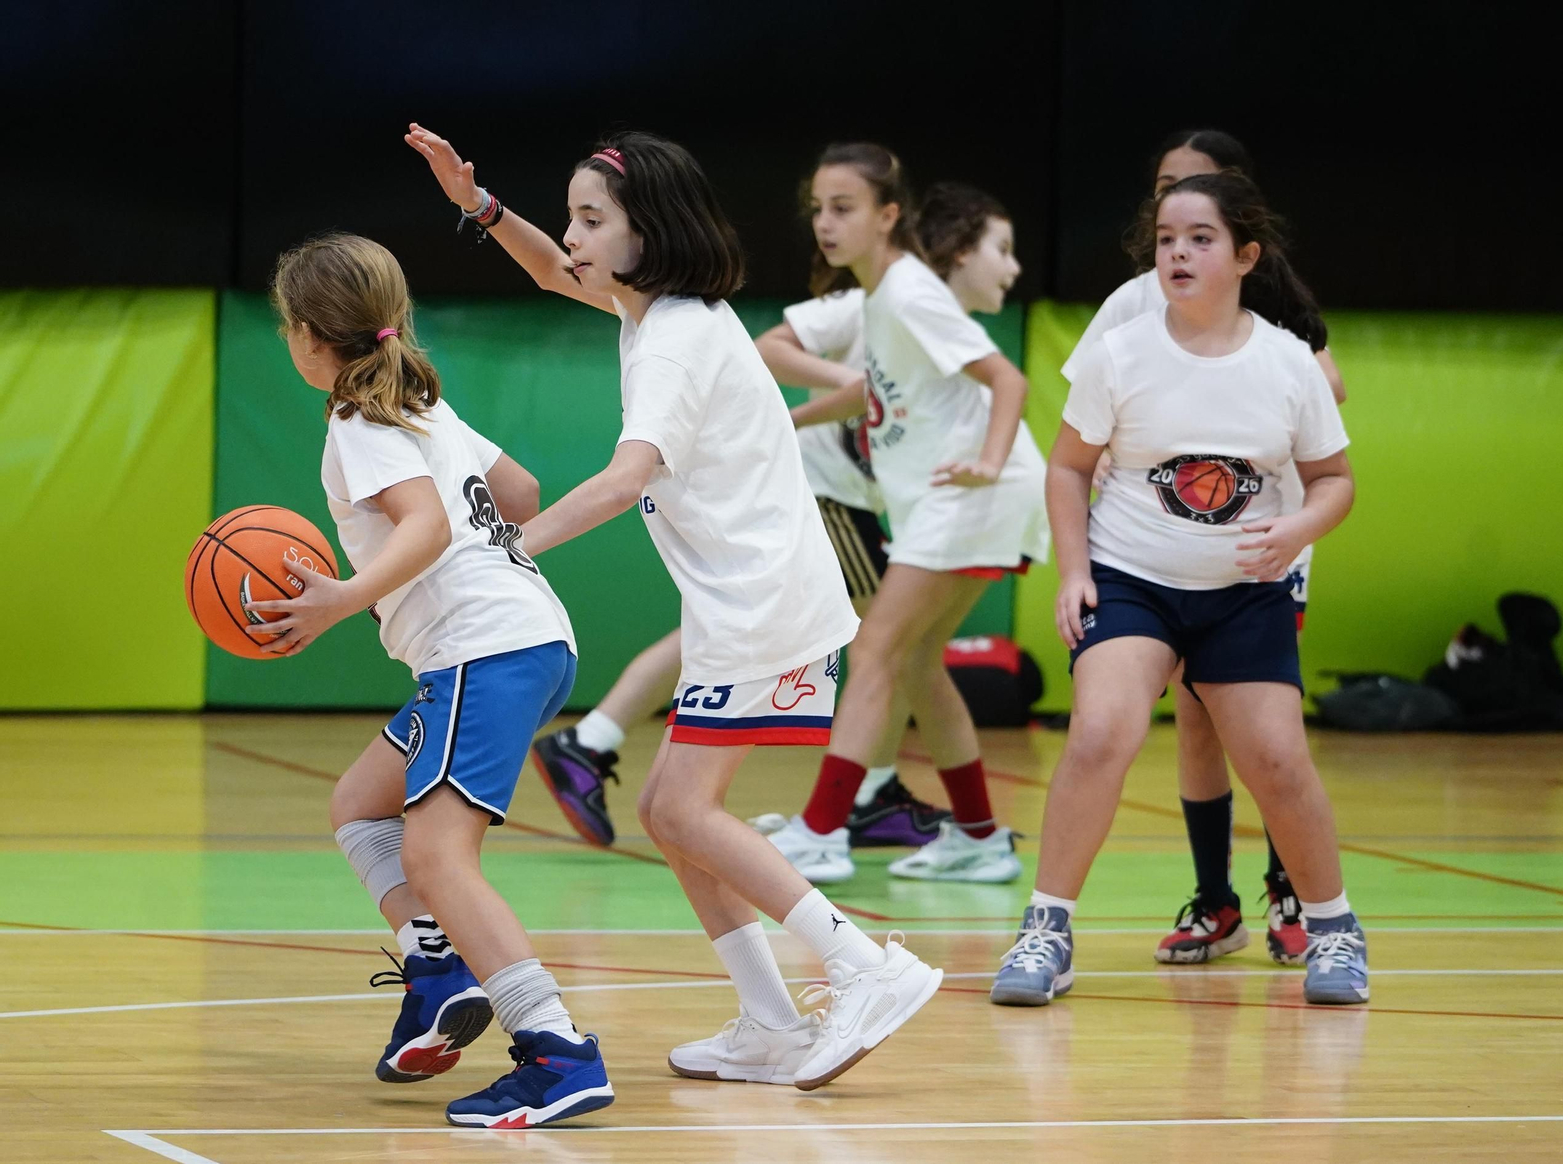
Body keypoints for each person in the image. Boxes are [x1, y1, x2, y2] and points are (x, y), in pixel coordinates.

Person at [405, 124, 943, 1091]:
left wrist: (506, 543)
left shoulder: (674, 346)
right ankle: (771, 1021)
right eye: (572, 216)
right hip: (745, 597)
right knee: (666, 807)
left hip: (763, 601)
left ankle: (866, 967)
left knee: (685, 809)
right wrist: (480, 207)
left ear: (647, 231)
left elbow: (622, 481)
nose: (571, 237)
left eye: (591, 219)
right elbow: (549, 275)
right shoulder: (658, 312)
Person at [254, 232, 612, 1128]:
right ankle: (437, 969)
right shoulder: (420, 405)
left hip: (481, 649)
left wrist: (343, 598)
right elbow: (521, 494)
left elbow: (426, 529)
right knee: (360, 803)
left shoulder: (359, 420)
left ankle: (555, 1048)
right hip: (532, 640)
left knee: (435, 854)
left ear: (306, 336)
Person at [988, 170, 1369, 1009]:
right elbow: (1066, 468)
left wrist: (1298, 529)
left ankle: (1336, 930)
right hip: (1133, 579)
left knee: (1276, 759)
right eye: (1167, 239)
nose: (1179, 253)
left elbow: (1334, 480)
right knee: (1100, 732)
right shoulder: (1121, 352)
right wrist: (1078, 570)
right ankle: (1047, 929)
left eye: (1200, 238)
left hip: (1242, 592)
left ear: (1245, 255)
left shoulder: (1285, 363)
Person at [1063, 129, 1348, 966]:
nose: (1177, 223)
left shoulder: (1277, 316)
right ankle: (1215, 898)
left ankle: (1294, 889)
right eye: (1164, 197)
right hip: (1150, 550)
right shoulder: (1130, 308)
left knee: (1265, 738)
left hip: (1262, 546)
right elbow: (1080, 426)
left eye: (1198, 200)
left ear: (1240, 231)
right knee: (1190, 723)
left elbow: (1325, 388)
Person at [760, 146, 1046, 886]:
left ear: (889, 215)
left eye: (844, 208)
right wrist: (789, 423)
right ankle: (980, 839)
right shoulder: (880, 296)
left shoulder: (912, 291)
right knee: (917, 661)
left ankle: (822, 830)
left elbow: (1006, 378)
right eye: (818, 208)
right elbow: (870, 396)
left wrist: (985, 459)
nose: (825, 223)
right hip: (953, 497)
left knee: (879, 647)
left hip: (973, 492)